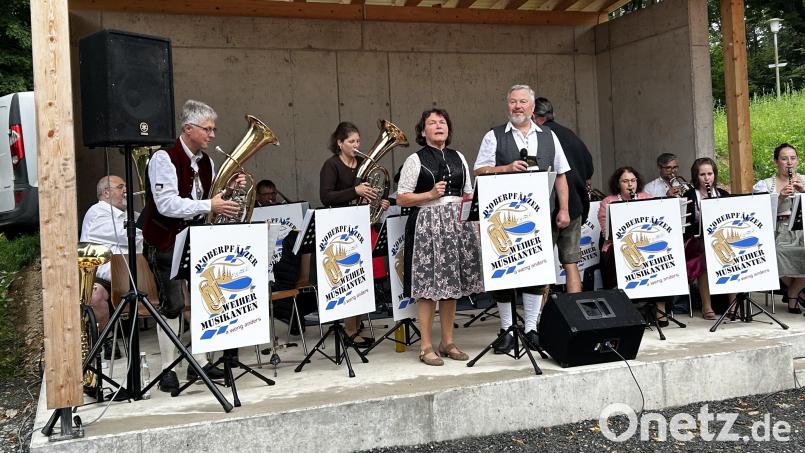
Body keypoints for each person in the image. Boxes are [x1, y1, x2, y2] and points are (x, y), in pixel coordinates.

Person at [141, 99, 243, 392]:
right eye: (207, 129)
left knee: (202, 300)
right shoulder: (163, 158)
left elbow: (206, 201)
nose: (212, 135)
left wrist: (228, 193)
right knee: (172, 304)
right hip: (165, 237)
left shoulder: (207, 161)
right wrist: (209, 203)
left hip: (196, 237)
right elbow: (167, 203)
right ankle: (167, 370)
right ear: (188, 129)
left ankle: (198, 363)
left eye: (213, 129)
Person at [474, 84, 571, 353]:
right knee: (504, 271)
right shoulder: (494, 136)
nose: (517, 107)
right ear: (507, 105)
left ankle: (531, 328)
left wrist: (563, 209)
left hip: (540, 217)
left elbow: (561, 174)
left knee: (537, 271)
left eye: (522, 102)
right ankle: (506, 329)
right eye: (513, 102)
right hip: (504, 218)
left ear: (532, 106)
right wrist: (505, 169)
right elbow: (479, 172)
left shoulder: (549, 136)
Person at [397, 108, 483, 366]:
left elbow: (467, 194)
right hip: (428, 225)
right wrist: (430, 195)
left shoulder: (458, 157)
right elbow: (401, 197)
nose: (438, 126)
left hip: (457, 224)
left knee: (450, 288)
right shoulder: (415, 159)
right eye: (432, 123)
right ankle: (425, 346)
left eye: (442, 122)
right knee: (427, 289)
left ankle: (447, 342)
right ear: (423, 132)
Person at [319, 121, 390, 347]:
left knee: (361, 278)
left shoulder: (362, 164)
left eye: (358, 141)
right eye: (351, 142)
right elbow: (326, 197)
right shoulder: (331, 165)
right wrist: (355, 190)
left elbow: (369, 194)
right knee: (349, 279)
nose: (356, 145)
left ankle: (356, 326)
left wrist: (381, 201)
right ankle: (349, 330)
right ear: (339, 143)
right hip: (340, 229)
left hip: (361, 225)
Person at [533, 97, 594, 293]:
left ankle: (541, 317)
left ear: (534, 116)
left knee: (540, 265)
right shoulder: (571, 135)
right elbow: (589, 168)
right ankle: (575, 312)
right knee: (571, 263)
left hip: (546, 207)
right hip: (574, 206)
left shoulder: (540, 136)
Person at [80, 175, 144, 359]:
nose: (126, 191)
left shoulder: (126, 214)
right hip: (102, 275)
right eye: (120, 187)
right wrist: (138, 232)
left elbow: (142, 232)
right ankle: (106, 339)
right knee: (96, 294)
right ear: (105, 192)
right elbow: (131, 236)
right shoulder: (98, 212)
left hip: (130, 273)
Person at [597, 167, 667, 322]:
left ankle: (660, 311)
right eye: (625, 181)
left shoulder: (647, 198)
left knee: (663, 257)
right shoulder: (608, 202)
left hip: (644, 244)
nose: (630, 185)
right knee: (619, 255)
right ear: (618, 184)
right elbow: (606, 232)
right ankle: (622, 311)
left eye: (633, 181)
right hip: (618, 246)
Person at [753, 143, 805, 313]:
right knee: (774, 251)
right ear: (776, 162)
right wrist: (779, 197)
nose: (789, 162)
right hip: (778, 230)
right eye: (784, 159)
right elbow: (757, 213)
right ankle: (798, 293)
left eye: (793, 158)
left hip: (803, 229)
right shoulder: (766, 184)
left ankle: (793, 292)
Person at [681, 158, 732, 319]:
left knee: (732, 257)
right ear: (696, 176)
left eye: (709, 174)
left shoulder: (723, 195)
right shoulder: (689, 195)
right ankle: (706, 305)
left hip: (720, 239)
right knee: (704, 260)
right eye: (702, 174)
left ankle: (734, 303)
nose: (706, 178)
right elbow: (686, 227)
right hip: (697, 240)